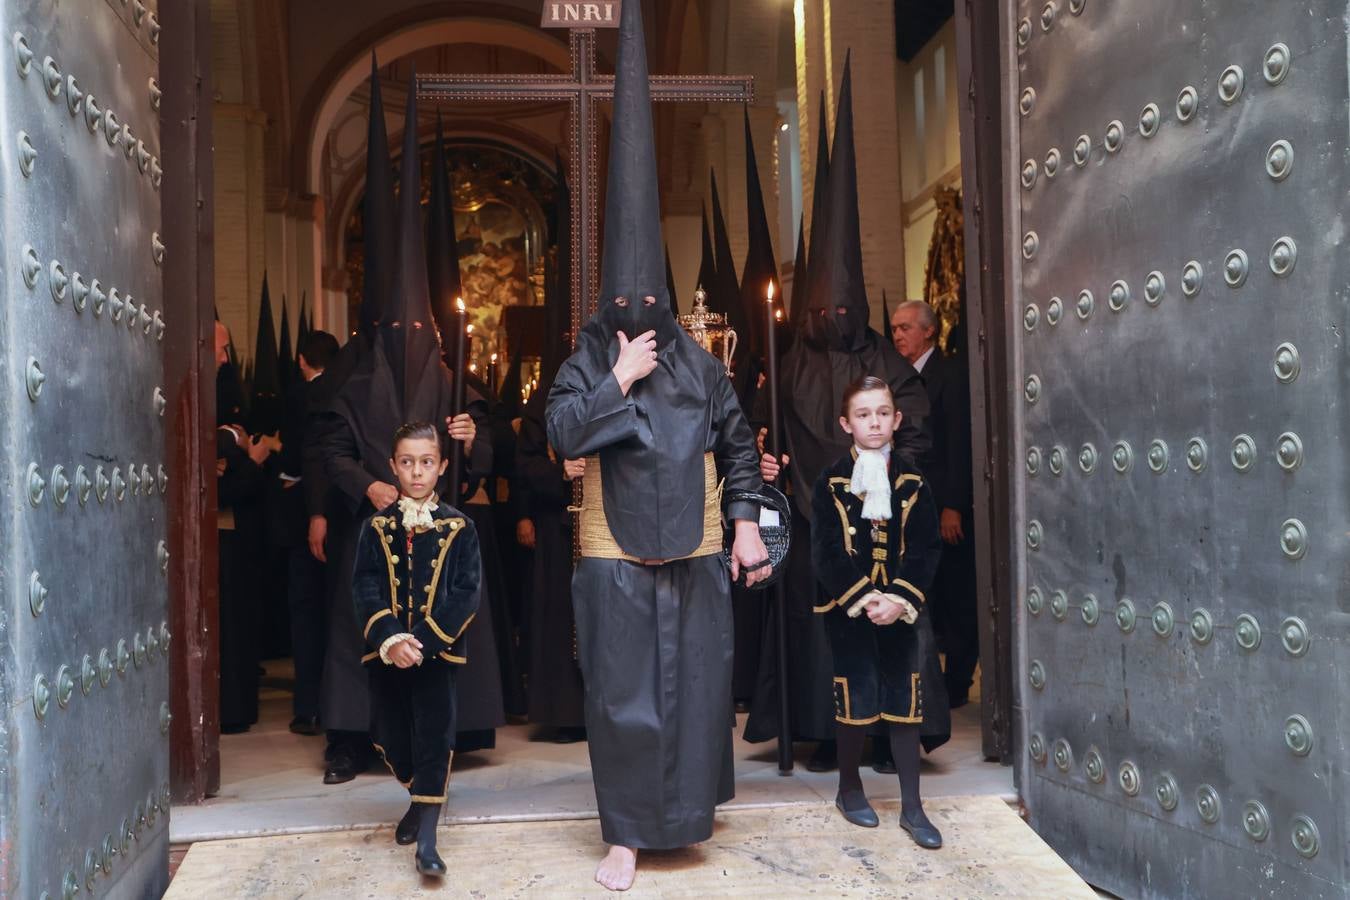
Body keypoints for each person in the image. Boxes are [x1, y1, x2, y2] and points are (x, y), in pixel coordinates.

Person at [544, 0, 769, 890]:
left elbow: (740, 443)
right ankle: (626, 837)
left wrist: (746, 522)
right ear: (610, 299)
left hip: (699, 549)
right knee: (625, 700)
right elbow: (561, 433)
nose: (642, 316)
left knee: (697, 693)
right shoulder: (588, 358)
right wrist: (617, 381)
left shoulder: (702, 364)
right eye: (626, 303)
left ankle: (683, 820)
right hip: (615, 556)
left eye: (652, 301)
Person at [744, 56, 933, 775]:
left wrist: (881, 462)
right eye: (822, 308)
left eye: (844, 308)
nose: (834, 318)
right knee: (820, 631)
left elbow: (913, 423)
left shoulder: (883, 357)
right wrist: (767, 461)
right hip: (811, 519)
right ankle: (823, 733)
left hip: (883, 515)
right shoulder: (787, 362)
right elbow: (758, 432)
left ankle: (895, 734)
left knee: (892, 617)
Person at [793, 375, 943, 848]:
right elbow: (826, 552)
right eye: (863, 414)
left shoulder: (914, 481)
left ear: (896, 420)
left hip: (900, 610)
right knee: (855, 697)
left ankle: (913, 807)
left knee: (905, 701)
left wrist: (897, 599)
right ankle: (849, 788)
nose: (873, 422)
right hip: (850, 609)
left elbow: (925, 548)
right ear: (846, 424)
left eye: (882, 413)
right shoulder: (831, 482)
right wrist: (864, 599)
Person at [352, 421, 481, 877]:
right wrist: (389, 637)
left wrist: (421, 643)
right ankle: (416, 802)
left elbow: (466, 593)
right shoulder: (375, 527)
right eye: (407, 463)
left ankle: (427, 837)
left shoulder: (461, 527)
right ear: (393, 466)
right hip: (387, 652)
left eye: (426, 462)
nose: (417, 472)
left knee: (433, 738)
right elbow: (364, 586)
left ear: (442, 466)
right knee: (389, 732)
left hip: (435, 655)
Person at [891, 300, 977, 707]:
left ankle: (958, 683)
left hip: (944, 504)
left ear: (929, 331)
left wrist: (955, 505)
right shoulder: (896, 378)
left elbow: (961, 442)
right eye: (894, 328)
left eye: (905, 327)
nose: (897, 335)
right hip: (911, 505)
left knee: (957, 594)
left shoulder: (951, 374)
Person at [278, 328, 339, 735]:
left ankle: (307, 707)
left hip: (304, 515)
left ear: (302, 360)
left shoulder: (300, 397)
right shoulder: (347, 393)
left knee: (306, 613)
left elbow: (296, 459)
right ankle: (332, 705)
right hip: (340, 514)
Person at [215, 321, 273, 733]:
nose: (224, 358)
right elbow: (220, 485)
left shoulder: (225, 398)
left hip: (240, 535)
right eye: (220, 349)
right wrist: (249, 461)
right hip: (219, 533)